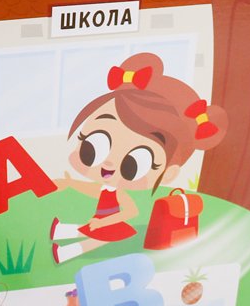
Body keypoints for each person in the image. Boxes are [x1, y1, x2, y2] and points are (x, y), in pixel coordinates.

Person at [50, 52, 226, 265]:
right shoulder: (109, 189)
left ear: (168, 173)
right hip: (103, 220)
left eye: (133, 165)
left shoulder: (118, 193)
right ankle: (63, 238)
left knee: (97, 237)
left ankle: (65, 247)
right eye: (92, 147)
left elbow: (131, 211)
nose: (109, 164)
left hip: (107, 221)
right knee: (95, 234)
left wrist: (107, 221)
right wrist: (71, 183)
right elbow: (94, 191)